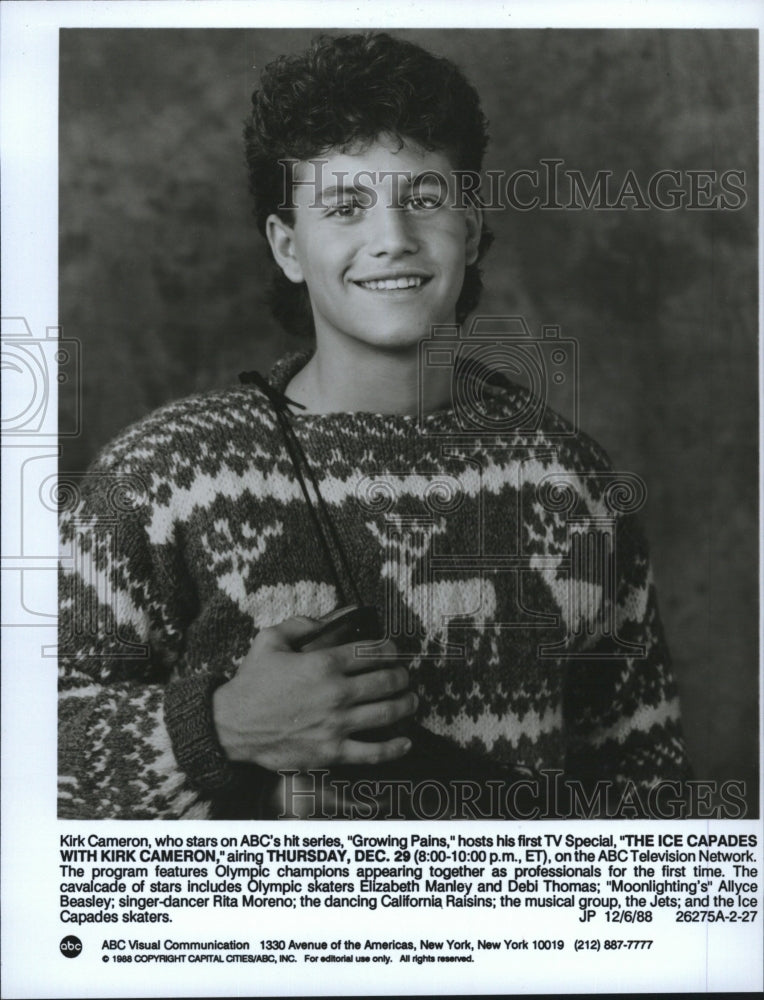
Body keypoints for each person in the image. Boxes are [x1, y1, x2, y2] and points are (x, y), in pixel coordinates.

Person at [58, 31, 691, 820]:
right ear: (288, 247)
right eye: (345, 207)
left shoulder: (572, 481)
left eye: (424, 199)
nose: (392, 237)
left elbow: (648, 788)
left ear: (471, 225)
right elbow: (32, 755)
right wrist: (213, 729)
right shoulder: (158, 479)